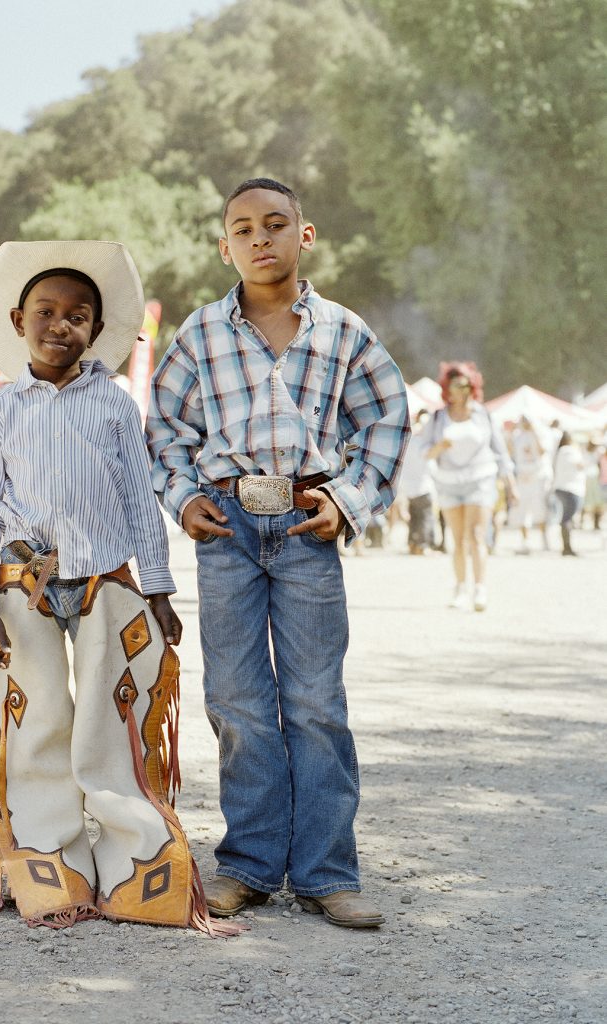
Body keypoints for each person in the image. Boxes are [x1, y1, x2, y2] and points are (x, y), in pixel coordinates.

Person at [0, 240, 231, 935]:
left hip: (106, 582)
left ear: (97, 332)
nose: (59, 324)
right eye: (45, 311)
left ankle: (131, 871)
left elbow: (139, 500)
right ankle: (50, 867)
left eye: (78, 315)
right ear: (18, 321)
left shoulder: (112, 405)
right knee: (38, 720)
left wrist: (158, 591)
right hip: (23, 588)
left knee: (112, 722)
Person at [147, 178, 410, 928]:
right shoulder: (199, 333)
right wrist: (183, 496)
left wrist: (347, 500)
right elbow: (165, 425)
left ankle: (328, 873)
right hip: (227, 525)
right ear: (222, 245)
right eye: (242, 228)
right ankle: (250, 866)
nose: (259, 238)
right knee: (235, 700)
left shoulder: (341, 331)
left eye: (275, 224)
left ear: (305, 235)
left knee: (315, 702)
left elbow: (387, 417)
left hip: (303, 523)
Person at [419, 362, 514, 611]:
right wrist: (441, 447)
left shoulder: (483, 414)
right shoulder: (439, 416)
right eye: (453, 384)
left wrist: (510, 483)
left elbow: (500, 452)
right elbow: (424, 451)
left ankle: (480, 588)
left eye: (463, 384)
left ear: (472, 386)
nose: (458, 389)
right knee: (458, 540)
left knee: (477, 536)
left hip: (480, 479)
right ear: (446, 387)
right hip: (449, 481)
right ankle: (461, 588)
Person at [509, 416, 549, 553]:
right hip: (522, 477)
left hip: (536, 477)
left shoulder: (539, 433)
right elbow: (510, 452)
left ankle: (544, 540)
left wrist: (534, 432)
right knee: (522, 511)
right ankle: (526, 542)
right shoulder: (517, 436)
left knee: (540, 509)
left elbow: (543, 451)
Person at [399, 409, 437, 555]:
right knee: (425, 517)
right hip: (424, 486)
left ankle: (412, 545)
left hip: (409, 487)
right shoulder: (424, 444)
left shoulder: (408, 444)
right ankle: (423, 546)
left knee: (414, 517)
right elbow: (432, 468)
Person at [553, 432, 586, 556]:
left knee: (567, 518)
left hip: (562, 487)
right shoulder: (569, 450)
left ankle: (566, 547)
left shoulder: (560, 451)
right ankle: (567, 547)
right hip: (571, 488)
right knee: (567, 518)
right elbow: (580, 465)